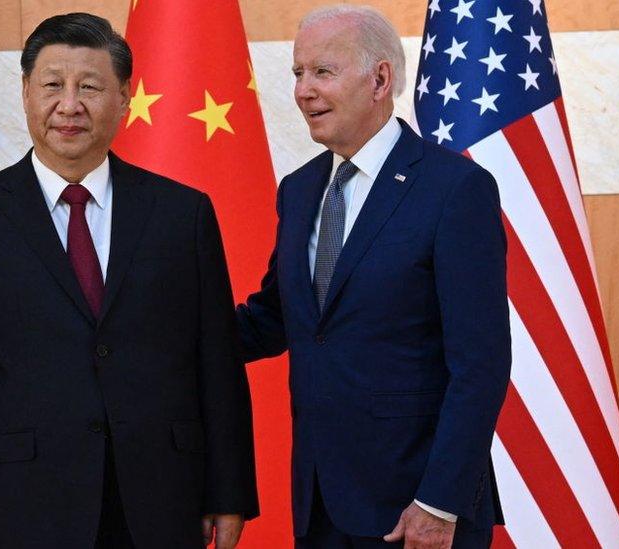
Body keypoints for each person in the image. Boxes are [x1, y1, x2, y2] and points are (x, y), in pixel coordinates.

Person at [0, 13, 258, 549]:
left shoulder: (183, 214)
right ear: (27, 92)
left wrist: (228, 489)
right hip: (29, 499)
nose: (70, 104)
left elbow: (215, 361)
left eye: (91, 87)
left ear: (125, 97)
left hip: (163, 495)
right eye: (53, 85)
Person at [236, 5, 511, 548]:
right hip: (320, 499)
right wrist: (163, 328)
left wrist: (439, 502)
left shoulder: (454, 189)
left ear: (380, 78)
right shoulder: (298, 189)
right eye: (297, 73)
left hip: (416, 509)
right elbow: (280, 318)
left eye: (322, 72)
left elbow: (480, 364)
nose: (303, 91)